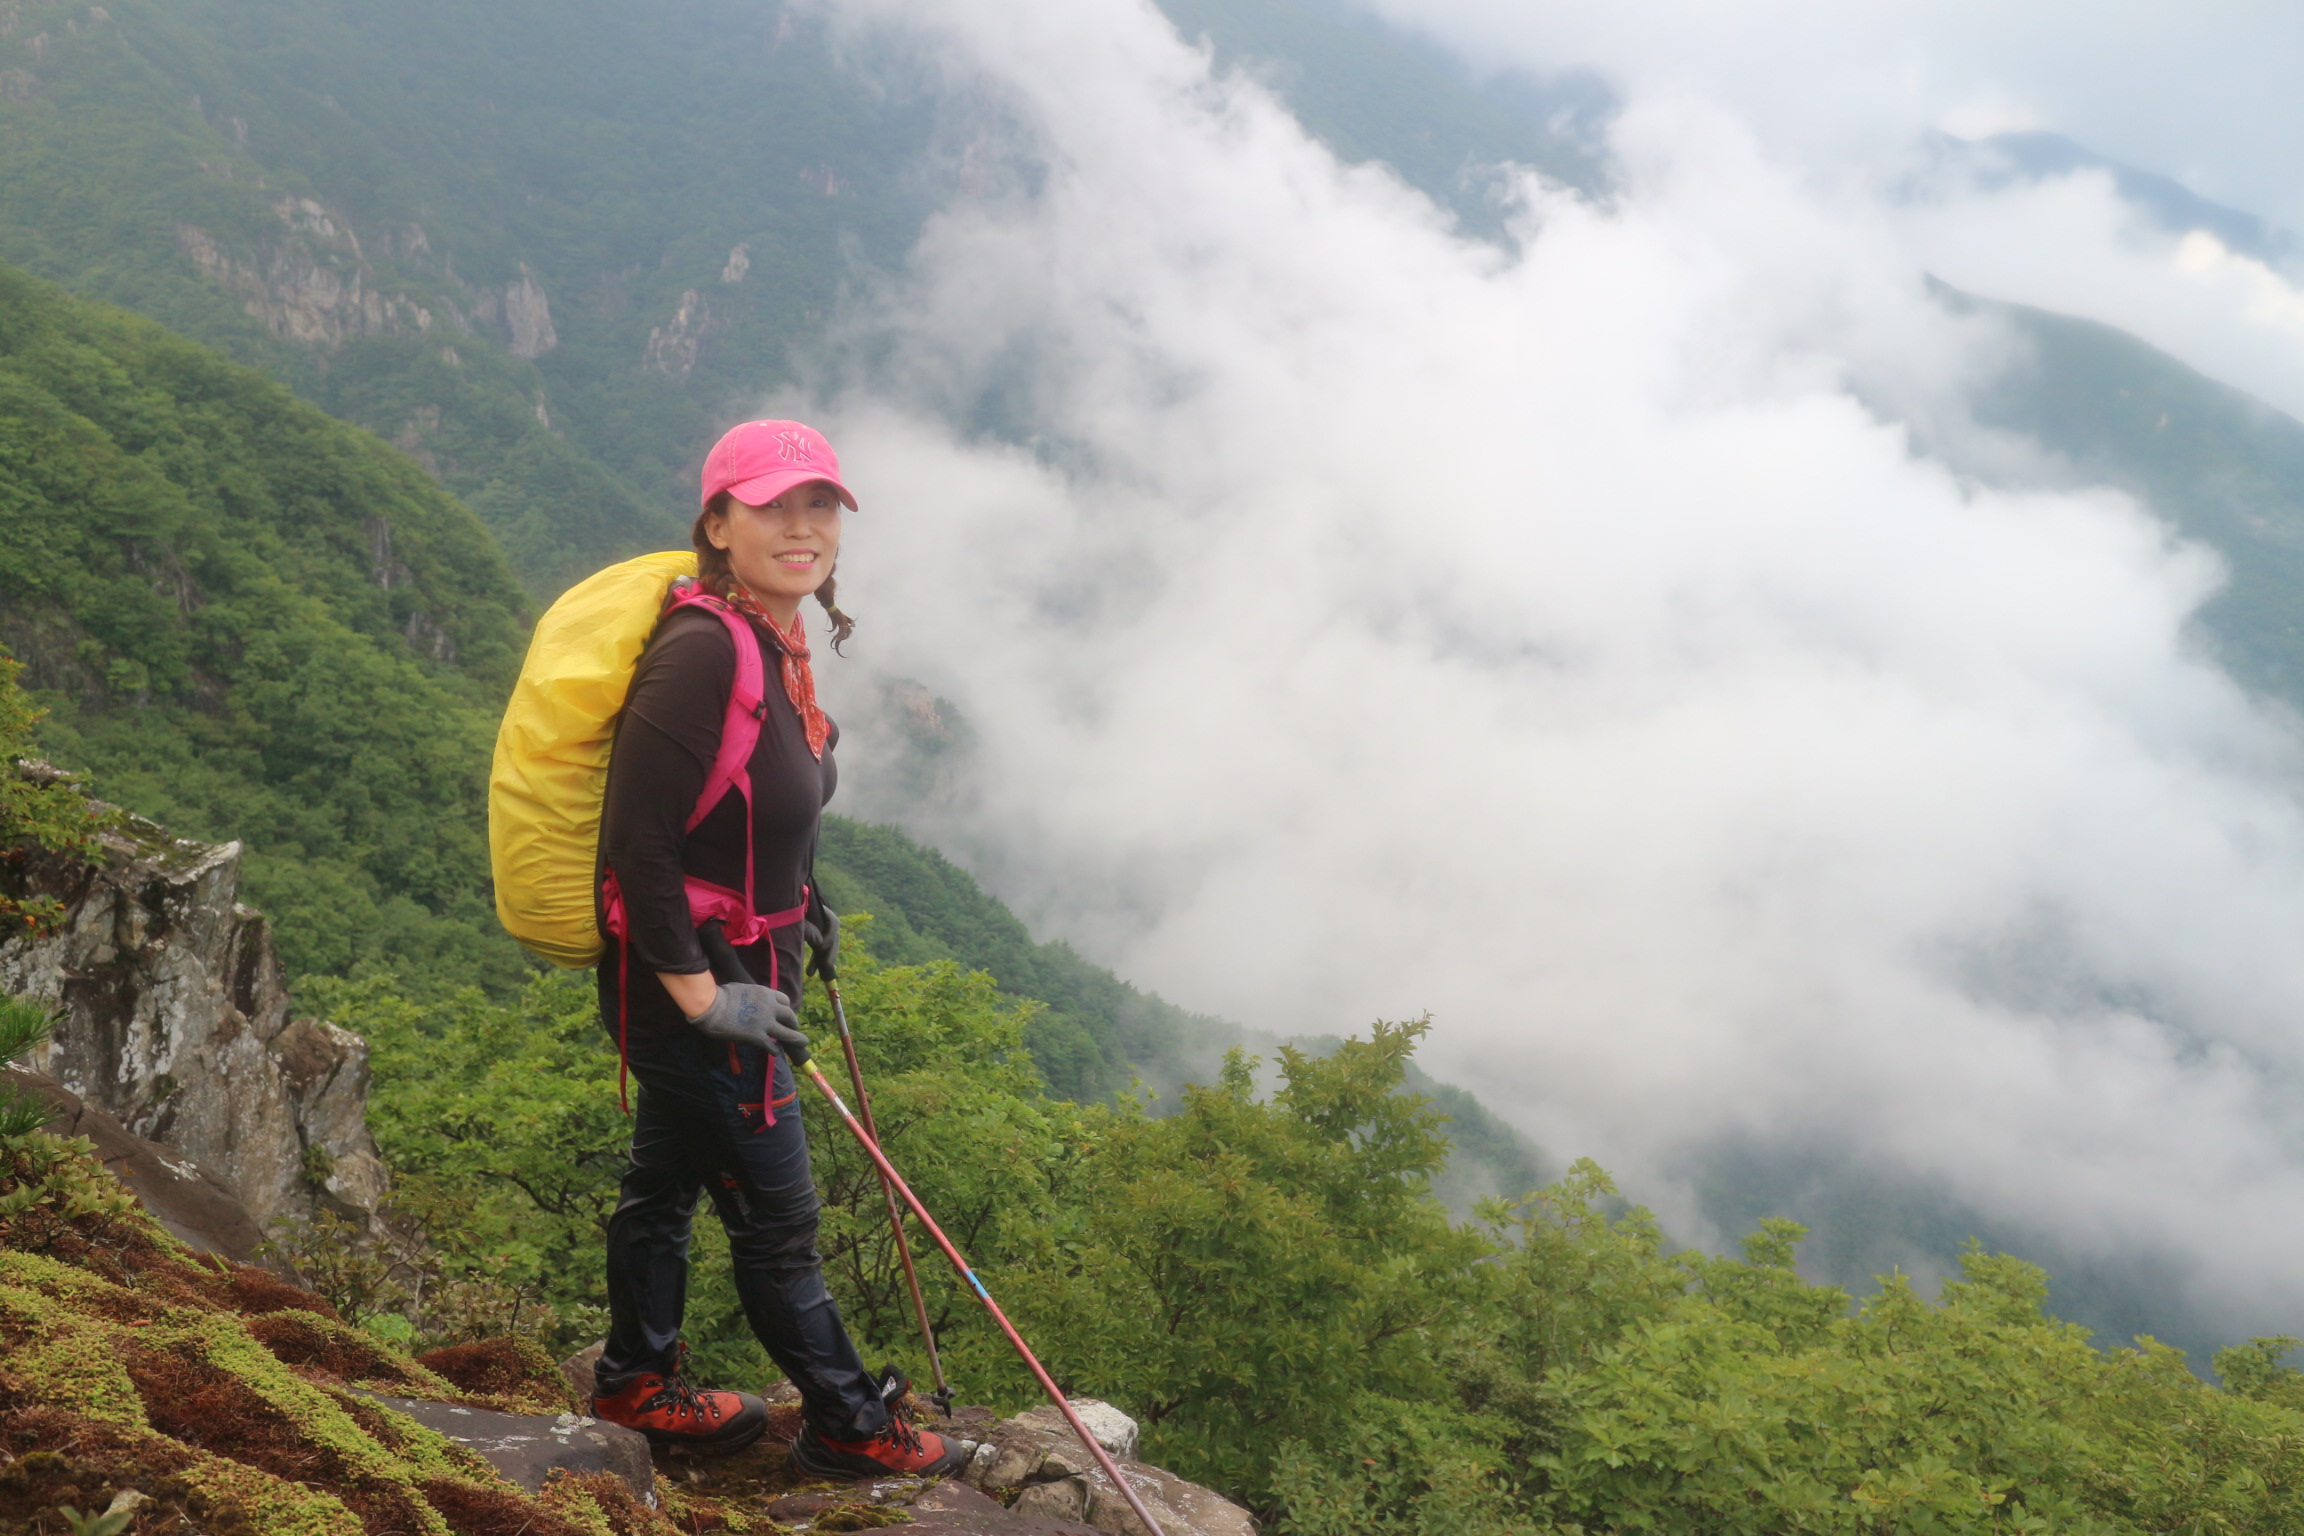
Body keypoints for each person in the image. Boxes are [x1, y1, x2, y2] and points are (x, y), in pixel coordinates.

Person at [586, 419, 966, 1477]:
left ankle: (633, 1381)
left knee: (664, 1183)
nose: (802, 526)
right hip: (702, 992)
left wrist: (807, 901)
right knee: (780, 1224)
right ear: (718, 524)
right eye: (772, 506)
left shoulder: (773, 642)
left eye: (820, 505)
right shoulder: (704, 650)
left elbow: (753, 810)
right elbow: (638, 843)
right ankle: (849, 1426)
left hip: (741, 974)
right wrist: (704, 1000)